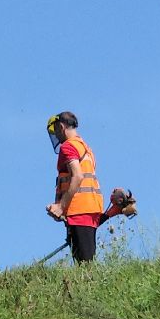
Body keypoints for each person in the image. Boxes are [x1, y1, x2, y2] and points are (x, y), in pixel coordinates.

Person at [44, 111, 109, 264]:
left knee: (85, 266)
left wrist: (61, 206)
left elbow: (78, 176)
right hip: (90, 208)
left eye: (56, 132)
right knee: (87, 261)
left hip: (79, 210)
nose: (56, 137)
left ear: (61, 127)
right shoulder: (85, 148)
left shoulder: (68, 146)